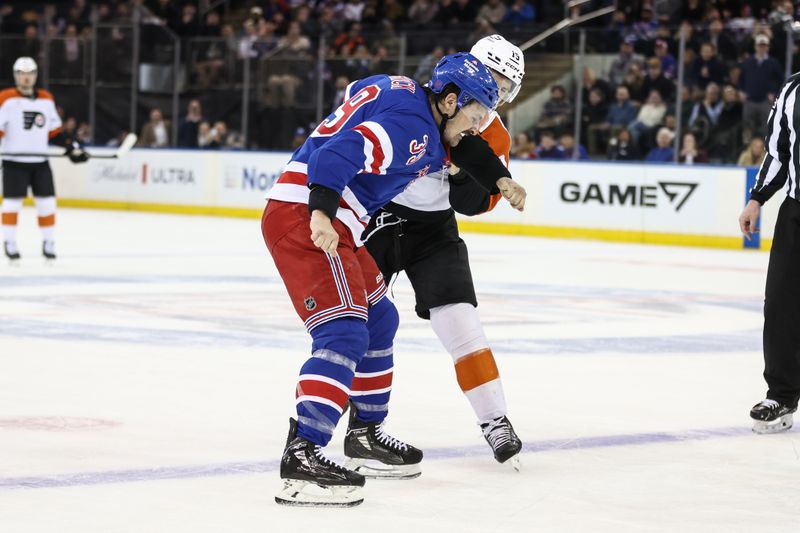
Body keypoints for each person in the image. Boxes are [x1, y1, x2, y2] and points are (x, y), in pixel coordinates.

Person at [262, 53, 504, 507]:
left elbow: (357, 92)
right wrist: (320, 213)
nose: (475, 128)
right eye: (473, 116)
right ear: (450, 101)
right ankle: (303, 454)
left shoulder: (404, 92)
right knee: (345, 329)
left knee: (379, 318)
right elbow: (338, 152)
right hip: (311, 215)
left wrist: (501, 179)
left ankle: (365, 435)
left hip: (337, 218)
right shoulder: (414, 131)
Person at [363, 34, 527, 469]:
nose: (496, 94)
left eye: (507, 87)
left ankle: (495, 420)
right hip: (380, 216)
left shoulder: (492, 133)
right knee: (356, 323)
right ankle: (359, 429)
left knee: (461, 322)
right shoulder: (422, 100)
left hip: (434, 230)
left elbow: (475, 204)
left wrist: (458, 173)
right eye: (492, 77)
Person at [739, 71, 800, 434]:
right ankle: (782, 395)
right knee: (779, 303)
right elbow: (778, 152)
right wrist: (756, 197)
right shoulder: (792, 89)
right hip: (796, 211)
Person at [0, 57, 88, 263]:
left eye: (30, 73)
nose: (26, 77)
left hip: (40, 162)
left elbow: (54, 132)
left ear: (35, 75)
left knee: (47, 204)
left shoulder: (46, 99)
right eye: (21, 73)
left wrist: (71, 147)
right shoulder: (6, 98)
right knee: (12, 204)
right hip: (14, 162)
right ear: (15, 76)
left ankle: (49, 242)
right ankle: (9, 242)